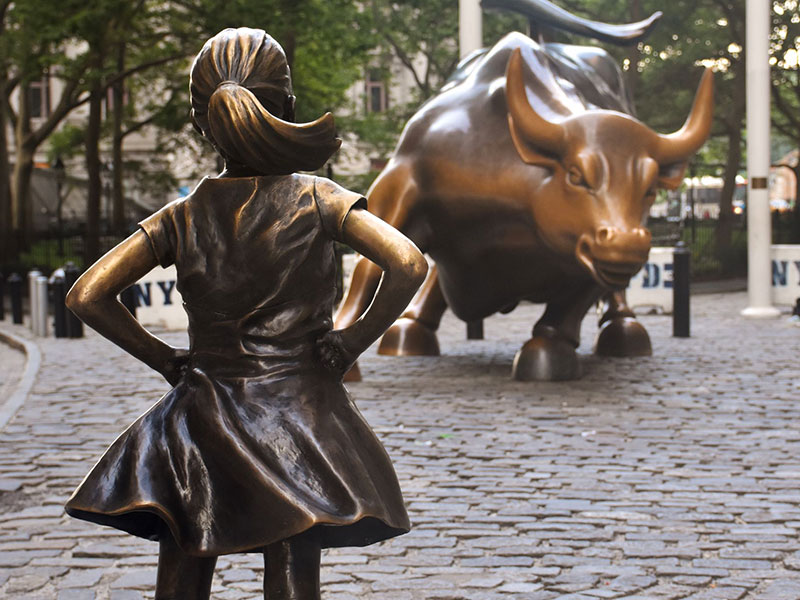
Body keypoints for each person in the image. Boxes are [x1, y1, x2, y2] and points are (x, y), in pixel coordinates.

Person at [64, 27, 427, 600]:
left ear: (200, 121)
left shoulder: (181, 215)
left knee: (187, 553)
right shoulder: (318, 197)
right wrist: (355, 339)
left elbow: (86, 295)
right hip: (298, 414)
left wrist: (165, 361)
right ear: (285, 104)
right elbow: (407, 262)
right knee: (290, 557)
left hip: (198, 413)